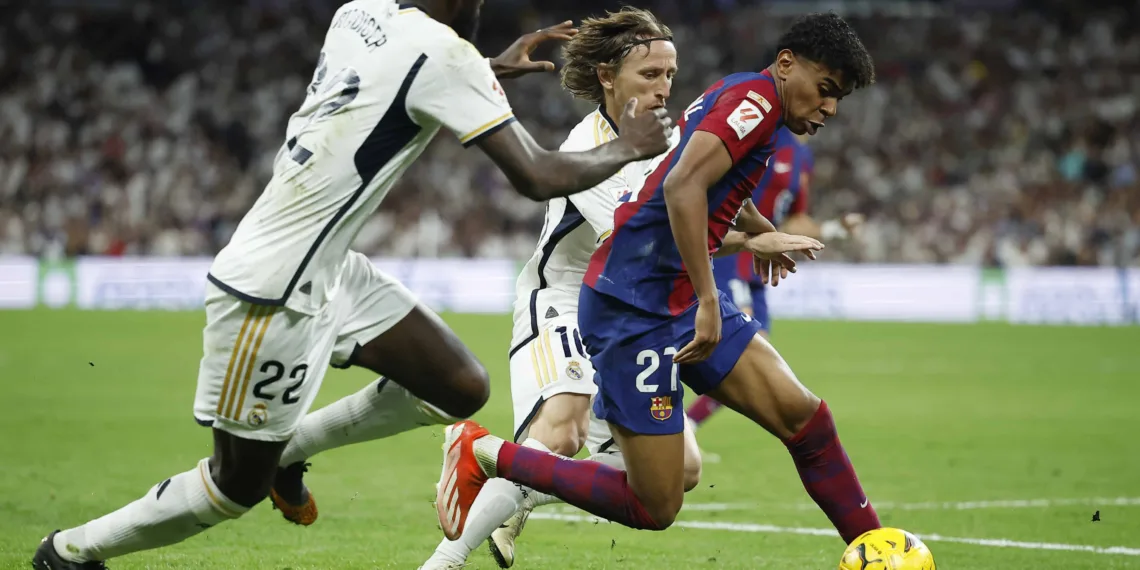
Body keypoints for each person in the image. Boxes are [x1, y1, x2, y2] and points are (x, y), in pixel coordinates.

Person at [32, 0, 674, 567]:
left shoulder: (357, 14)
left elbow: (397, 79)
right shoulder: (445, 57)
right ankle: (71, 550)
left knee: (458, 387)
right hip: (271, 290)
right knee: (234, 486)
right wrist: (631, 146)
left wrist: (484, 70)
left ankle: (292, 450)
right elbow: (534, 175)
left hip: (333, 267)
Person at [435, 11, 883, 547]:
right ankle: (488, 453)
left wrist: (761, 231)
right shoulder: (754, 104)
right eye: (826, 89)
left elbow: (703, 180)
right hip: (633, 306)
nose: (830, 108)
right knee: (654, 503)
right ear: (786, 65)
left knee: (804, 418)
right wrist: (711, 297)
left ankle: (875, 549)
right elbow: (681, 189)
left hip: (667, 296)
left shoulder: (747, 97)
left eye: (839, 98)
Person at [420, 8, 701, 569]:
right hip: (563, 302)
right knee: (563, 429)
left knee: (683, 470)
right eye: (650, 75)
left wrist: (754, 232)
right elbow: (640, 243)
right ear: (607, 77)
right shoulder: (588, 147)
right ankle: (444, 562)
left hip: (621, 319)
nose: (664, 87)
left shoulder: (670, 142)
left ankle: (517, 488)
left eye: (670, 74)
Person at [692, 126, 864, 428]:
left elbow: (794, 218)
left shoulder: (803, 156)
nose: (828, 110)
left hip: (757, 268)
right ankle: (675, 428)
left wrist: (835, 229)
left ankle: (683, 430)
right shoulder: (764, 138)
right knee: (744, 358)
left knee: (751, 359)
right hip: (729, 257)